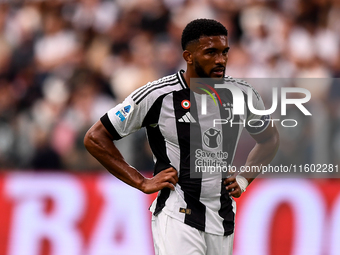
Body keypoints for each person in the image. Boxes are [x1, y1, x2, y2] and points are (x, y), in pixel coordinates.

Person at [84, 18, 279, 255]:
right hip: (178, 215)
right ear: (188, 56)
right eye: (211, 52)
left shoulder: (242, 95)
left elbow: (269, 139)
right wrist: (140, 181)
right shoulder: (158, 95)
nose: (221, 60)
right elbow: (96, 137)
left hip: (222, 218)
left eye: (224, 52)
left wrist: (245, 179)